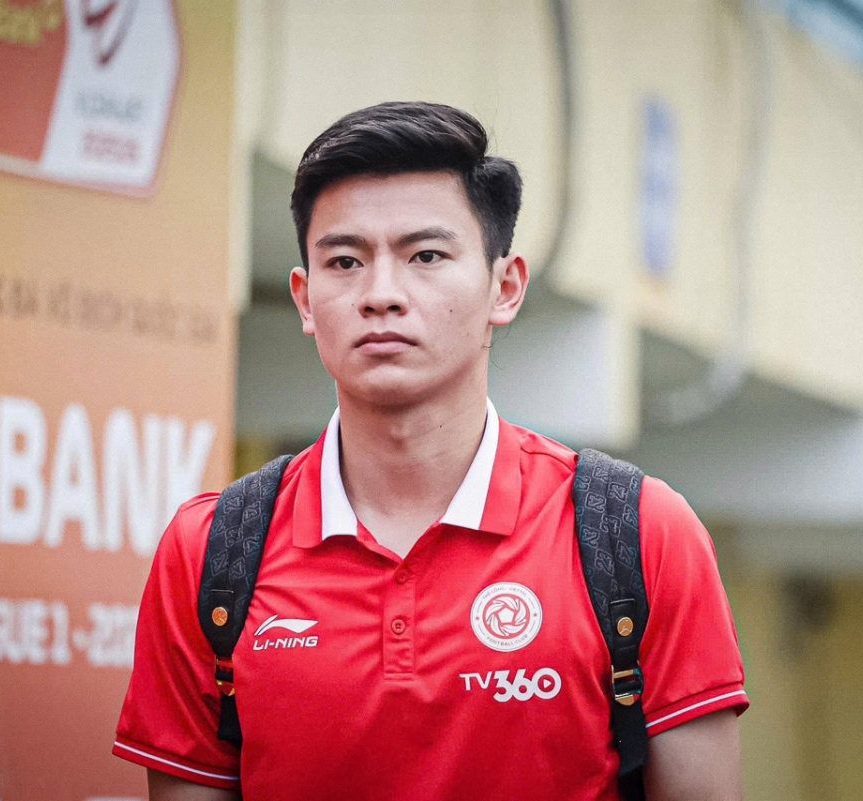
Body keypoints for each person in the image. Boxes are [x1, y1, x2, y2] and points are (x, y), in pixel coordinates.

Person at [113, 101, 747, 801]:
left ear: (505, 288)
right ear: (304, 299)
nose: (381, 295)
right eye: (345, 261)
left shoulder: (638, 534)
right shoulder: (211, 552)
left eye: (426, 256)